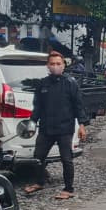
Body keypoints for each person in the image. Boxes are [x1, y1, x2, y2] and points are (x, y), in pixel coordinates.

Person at [23, 51, 89, 200]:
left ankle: (69, 189)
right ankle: (39, 182)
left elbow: (79, 106)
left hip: (65, 128)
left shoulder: (71, 83)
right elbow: (38, 107)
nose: (55, 67)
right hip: (46, 128)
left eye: (58, 64)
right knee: (38, 157)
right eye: (52, 64)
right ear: (48, 66)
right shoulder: (43, 84)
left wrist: (82, 125)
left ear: (64, 65)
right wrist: (31, 123)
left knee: (66, 159)